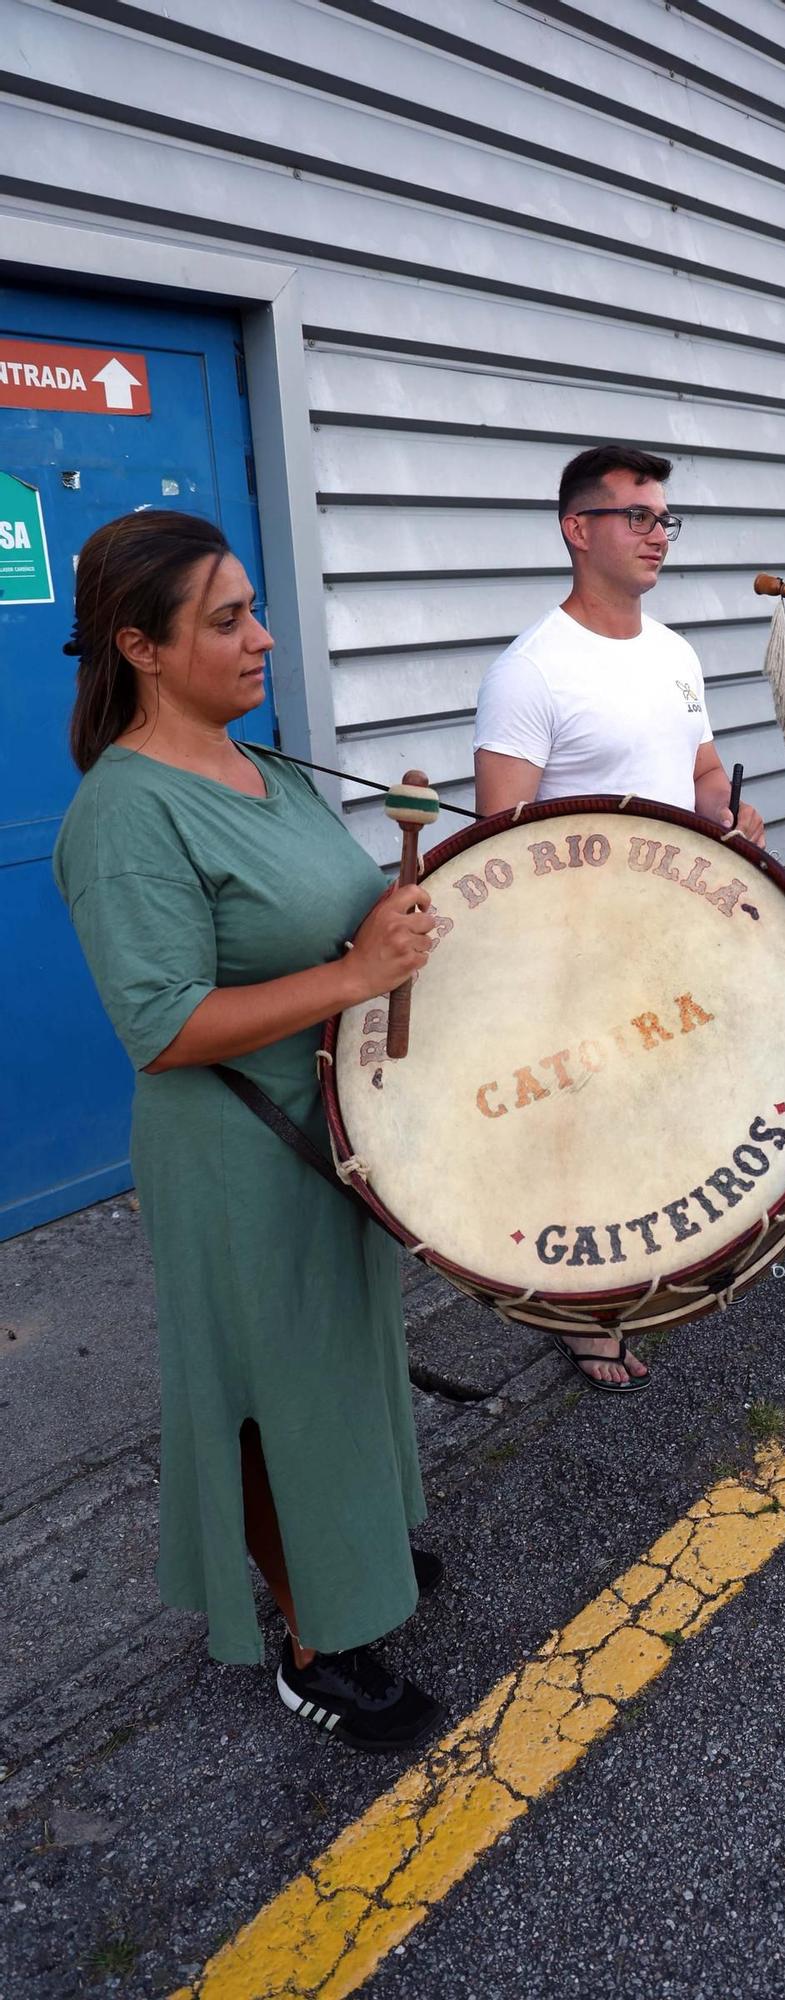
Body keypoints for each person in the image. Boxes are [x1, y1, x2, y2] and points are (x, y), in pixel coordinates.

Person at [54, 510, 446, 1752]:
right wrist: (353, 976)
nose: (263, 636)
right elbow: (161, 1024)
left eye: (255, 608)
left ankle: (354, 1556)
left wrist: (393, 917)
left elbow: (327, 925)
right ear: (142, 647)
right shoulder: (127, 813)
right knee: (273, 1393)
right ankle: (315, 1637)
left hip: (321, 1125)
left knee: (338, 1365)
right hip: (231, 1149)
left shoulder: (265, 767)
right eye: (226, 619)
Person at [472, 442, 764, 1390]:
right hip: (578, 956)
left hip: (678, 934)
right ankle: (583, 1313)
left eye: (664, 518)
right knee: (585, 1140)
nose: (657, 536)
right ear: (577, 529)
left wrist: (730, 810)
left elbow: (702, 769)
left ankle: (662, 1263)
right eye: (637, 517)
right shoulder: (531, 670)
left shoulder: (674, 651)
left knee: (663, 1114)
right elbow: (501, 845)